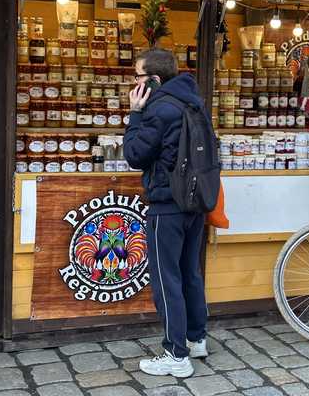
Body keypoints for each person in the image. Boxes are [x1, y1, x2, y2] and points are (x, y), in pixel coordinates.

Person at [123, 49, 209, 378]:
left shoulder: (158, 108)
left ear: (154, 80)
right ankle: (196, 338)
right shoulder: (193, 102)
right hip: (195, 202)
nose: (135, 83)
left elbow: (135, 153)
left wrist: (135, 114)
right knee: (189, 272)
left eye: (138, 77)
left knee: (165, 278)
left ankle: (176, 354)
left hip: (167, 203)